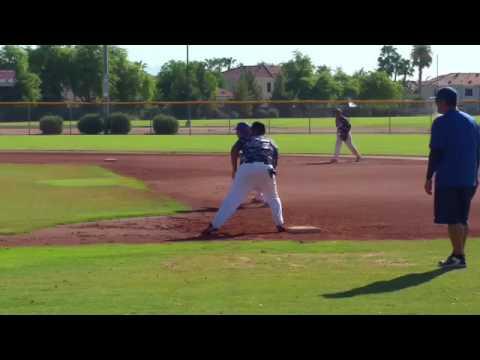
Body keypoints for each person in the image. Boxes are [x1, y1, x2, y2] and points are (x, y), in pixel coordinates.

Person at [425, 87, 480, 269]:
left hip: (450, 177)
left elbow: (436, 152)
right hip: (468, 177)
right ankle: (458, 255)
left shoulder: (441, 123)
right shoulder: (472, 121)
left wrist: (428, 177)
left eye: (437, 101)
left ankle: (458, 256)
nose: (436, 104)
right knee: (462, 218)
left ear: (444, 102)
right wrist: (475, 175)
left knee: (453, 218)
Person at [202, 121, 285, 235]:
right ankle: (280, 224)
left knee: (233, 199)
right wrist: (271, 172)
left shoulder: (245, 139)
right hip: (267, 168)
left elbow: (234, 150)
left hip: (246, 168)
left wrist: (234, 169)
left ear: (254, 131)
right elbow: (275, 159)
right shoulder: (271, 142)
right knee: (274, 198)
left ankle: (214, 226)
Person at [231, 122, 265, 205]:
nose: (236, 133)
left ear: (242, 132)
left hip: (249, 168)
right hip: (265, 167)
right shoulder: (260, 138)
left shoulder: (242, 139)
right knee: (261, 179)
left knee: (240, 180)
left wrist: (234, 169)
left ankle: (237, 199)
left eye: (237, 131)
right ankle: (261, 197)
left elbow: (233, 151)